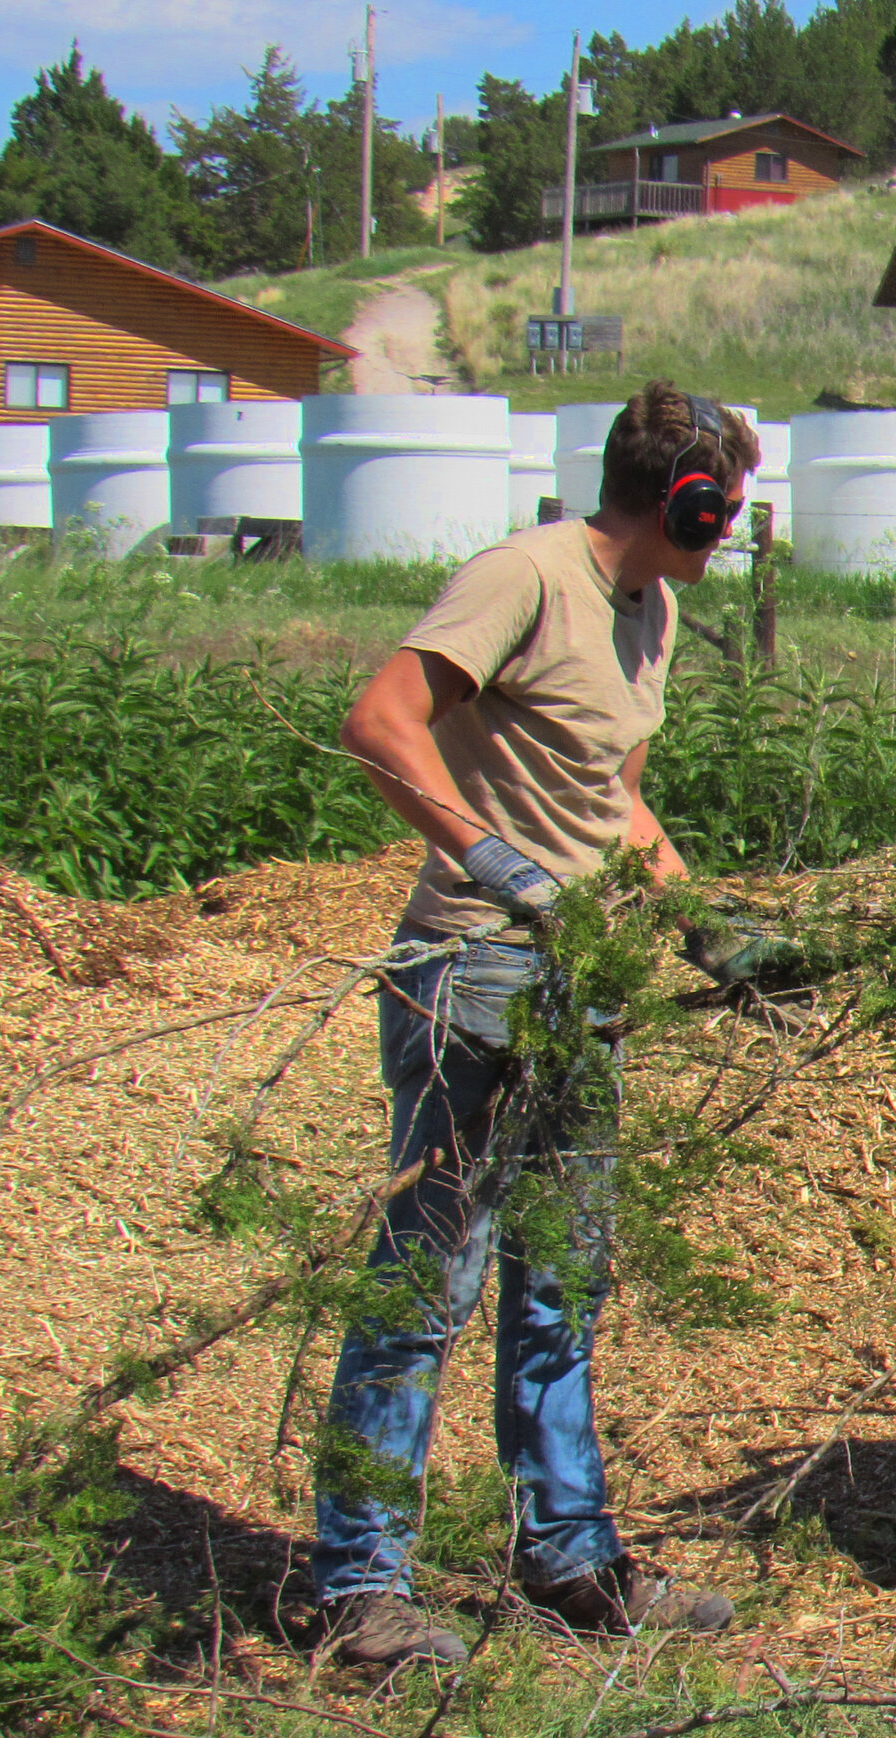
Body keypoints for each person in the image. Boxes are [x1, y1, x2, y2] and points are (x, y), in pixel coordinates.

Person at [305, 381, 777, 1668]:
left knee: (563, 1276)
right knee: (426, 1278)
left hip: (584, 980)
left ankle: (566, 1558)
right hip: (476, 968)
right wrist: (494, 863)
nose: (733, 528)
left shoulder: (651, 609)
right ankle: (356, 1584)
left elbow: (613, 802)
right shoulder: (521, 574)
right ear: (683, 497)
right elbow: (377, 723)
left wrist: (707, 926)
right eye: (724, 505)